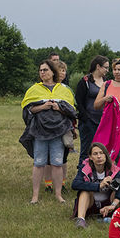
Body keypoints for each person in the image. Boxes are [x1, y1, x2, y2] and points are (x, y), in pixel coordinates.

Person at [22, 60, 77, 205]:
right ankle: (35, 196)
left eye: (45, 70)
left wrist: (59, 108)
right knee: (39, 163)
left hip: (58, 131)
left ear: (53, 72)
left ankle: (58, 194)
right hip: (40, 131)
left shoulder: (63, 89)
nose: (42, 73)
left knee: (57, 163)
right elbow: (28, 109)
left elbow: (72, 110)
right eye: (40, 70)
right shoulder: (34, 89)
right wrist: (43, 107)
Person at [72, 142, 120, 229]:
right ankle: (81, 220)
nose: (99, 156)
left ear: (105, 155)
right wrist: (98, 186)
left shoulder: (113, 169)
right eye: (95, 154)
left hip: (109, 203)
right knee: (84, 192)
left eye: (101, 153)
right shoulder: (85, 167)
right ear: (90, 157)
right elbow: (75, 184)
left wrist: (113, 205)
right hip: (92, 203)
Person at [73, 55, 109, 159]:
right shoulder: (85, 81)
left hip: (103, 121)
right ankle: (82, 173)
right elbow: (78, 101)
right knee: (87, 150)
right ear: (98, 66)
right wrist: (86, 119)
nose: (107, 70)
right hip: (89, 122)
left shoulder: (107, 82)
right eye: (105, 67)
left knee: (102, 150)